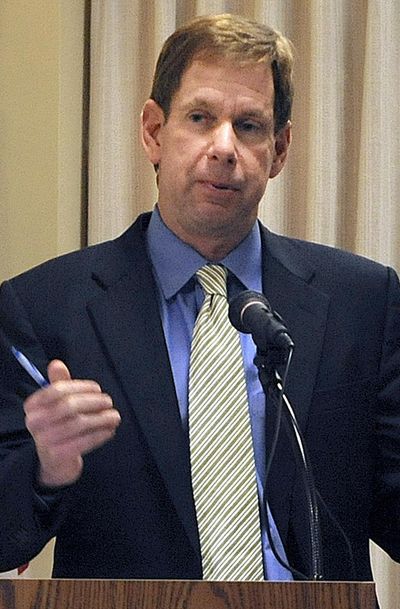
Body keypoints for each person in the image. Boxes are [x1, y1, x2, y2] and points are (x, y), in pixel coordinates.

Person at [0, 13, 400, 583]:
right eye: (200, 118)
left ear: (280, 149)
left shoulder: (363, 303)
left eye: (250, 126)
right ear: (153, 132)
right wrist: (43, 468)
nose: (224, 147)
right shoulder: (44, 309)